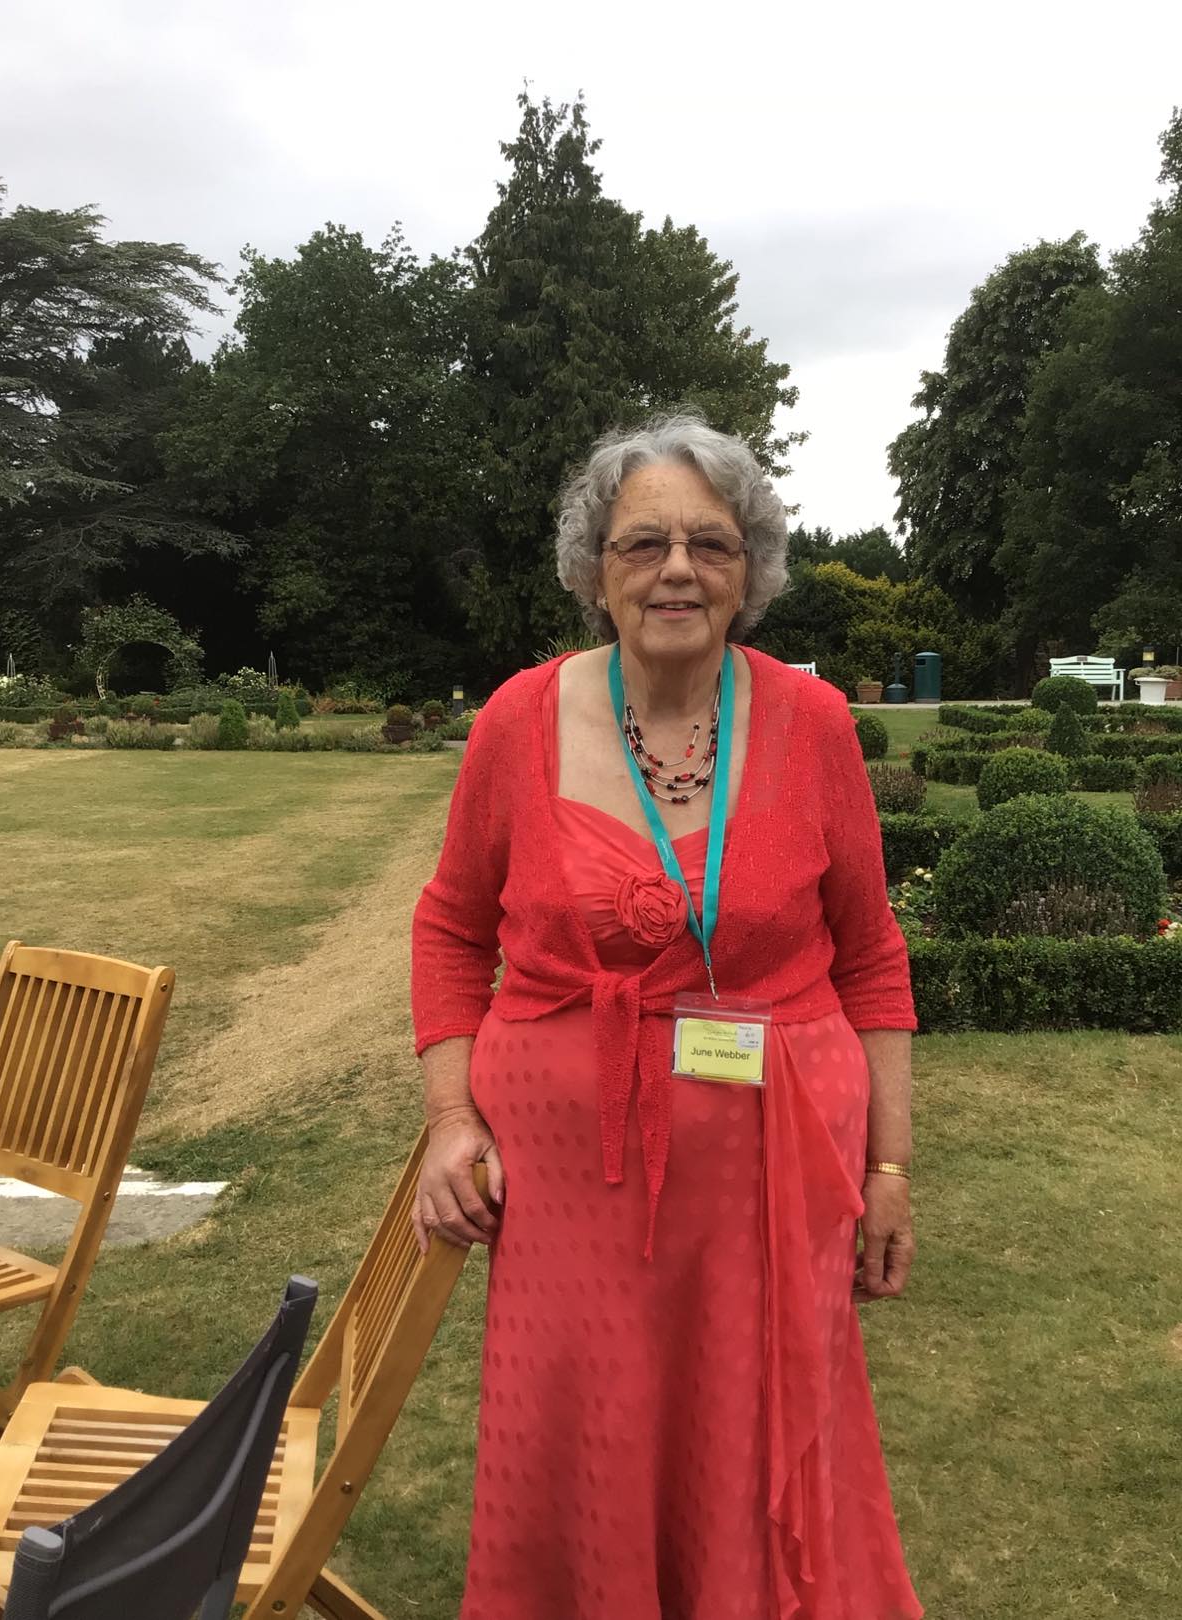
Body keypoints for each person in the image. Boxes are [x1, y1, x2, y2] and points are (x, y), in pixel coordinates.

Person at [411, 412, 921, 1620]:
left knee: (745, 1438)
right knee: (581, 1441)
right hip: (566, 1195)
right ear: (597, 569)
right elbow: (450, 930)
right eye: (644, 544)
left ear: (751, 571)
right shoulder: (518, 721)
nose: (677, 569)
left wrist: (889, 1168)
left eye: (711, 543)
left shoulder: (813, 725)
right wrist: (449, 1119)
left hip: (768, 1187)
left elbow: (871, 957)